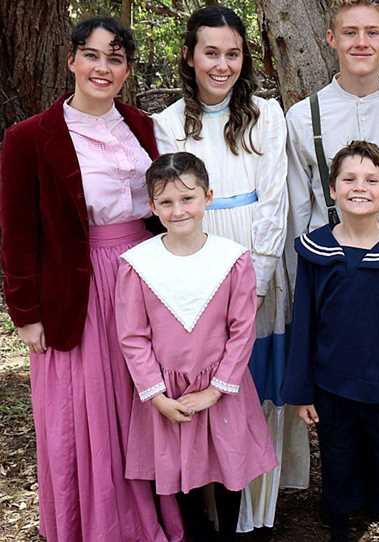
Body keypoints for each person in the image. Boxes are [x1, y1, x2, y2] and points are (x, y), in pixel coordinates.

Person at [0, 17, 182, 542]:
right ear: (72, 61)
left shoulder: (145, 127)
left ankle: (152, 521)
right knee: (81, 413)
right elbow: (16, 231)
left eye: (116, 57)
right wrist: (26, 312)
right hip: (75, 289)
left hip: (146, 277)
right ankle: (95, 525)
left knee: (142, 400)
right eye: (93, 55)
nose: (103, 67)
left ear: (127, 69)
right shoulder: (29, 138)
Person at [152, 6, 295, 534]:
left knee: (247, 382)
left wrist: (254, 278)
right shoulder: (166, 123)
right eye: (211, 52)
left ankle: (254, 513)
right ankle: (204, 510)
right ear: (189, 56)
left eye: (232, 53)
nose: (222, 64)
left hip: (254, 255)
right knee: (199, 378)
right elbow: (170, 203)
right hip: (194, 257)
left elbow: (274, 198)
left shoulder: (266, 114)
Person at [116, 152, 277, 541]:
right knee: (180, 474)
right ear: (152, 206)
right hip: (167, 394)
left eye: (187, 199)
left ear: (208, 196)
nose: (177, 210)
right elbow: (132, 336)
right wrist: (155, 395)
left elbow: (241, 330)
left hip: (222, 389)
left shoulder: (232, 260)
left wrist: (216, 389)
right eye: (166, 202)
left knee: (229, 469)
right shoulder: (138, 264)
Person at [284, 141, 379, 542]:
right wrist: (302, 391)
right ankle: (340, 530)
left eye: (372, 180)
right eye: (349, 178)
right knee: (338, 462)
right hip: (332, 387)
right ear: (331, 189)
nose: (360, 187)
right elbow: (303, 324)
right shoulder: (316, 250)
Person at [285, 0, 379, 233]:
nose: (361, 42)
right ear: (332, 38)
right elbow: (297, 209)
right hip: (326, 259)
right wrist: (297, 269)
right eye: (350, 33)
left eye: (372, 32)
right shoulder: (302, 117)